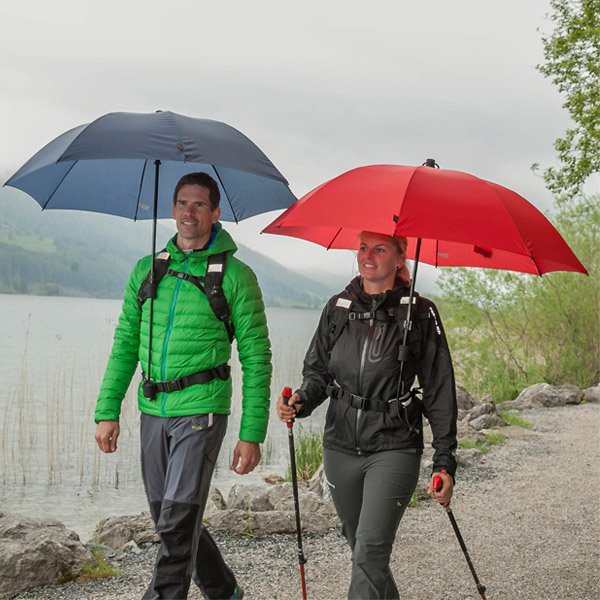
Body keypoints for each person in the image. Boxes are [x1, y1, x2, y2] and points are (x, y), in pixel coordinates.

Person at [95, 172, 271, 600]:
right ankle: (223, 589)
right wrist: (107, 409)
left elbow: (256, 357)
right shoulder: (146, 270)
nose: (189, 213)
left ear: (215, 213)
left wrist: (251, 434)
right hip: (154, 409)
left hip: (203, 409)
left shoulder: (235, 276)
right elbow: (124, 345)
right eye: (182, 204)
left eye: (199, 205)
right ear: (172, 210)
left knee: (176, 521)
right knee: (168, 517)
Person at [277, 230, 457, 600]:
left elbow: (439, 389)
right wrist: (300, 400)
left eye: (380, 248)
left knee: (371, 549)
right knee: (360, 547)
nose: (368, 255)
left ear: (400, 258)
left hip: (394, 445)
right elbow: (318, 373)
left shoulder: (420, 312)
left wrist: (445, 462)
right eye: (362, 247)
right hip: (339, 445)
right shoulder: (338, 307)